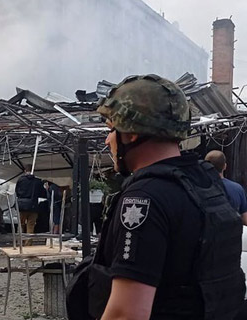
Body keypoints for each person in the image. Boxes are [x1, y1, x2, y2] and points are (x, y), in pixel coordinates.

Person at [66, 74, 245, 319]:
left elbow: (126, 314)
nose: (108, 140)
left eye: (112, 130)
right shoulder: (206, 184)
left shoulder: (144, 200)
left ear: (131, 134)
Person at [204, 150, 247, 225]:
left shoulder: (198, 188)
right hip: (232, 232)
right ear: (225, 166)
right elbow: (245, 219)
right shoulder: (237, 188)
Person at [15, 164, 46, 233]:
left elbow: (17, 192)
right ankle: (28, 243)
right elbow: (43, 194)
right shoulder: (38, 181)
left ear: (25, 171)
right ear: (33, 171)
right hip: (33, 206)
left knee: (21, 224)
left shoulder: (20, 180)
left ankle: (20, 241)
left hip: (22, 205)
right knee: (31, 225)